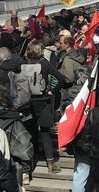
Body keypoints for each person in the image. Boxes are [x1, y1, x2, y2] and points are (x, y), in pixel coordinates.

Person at [22, 41, 67, 173]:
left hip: (28, 102)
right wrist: (52, 91)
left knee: (30, 131)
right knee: (45, 132)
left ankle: (29, 164)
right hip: (44, 100)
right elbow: (61, 79)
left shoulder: (24, 64)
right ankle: (51, 164)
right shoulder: (44, 63)